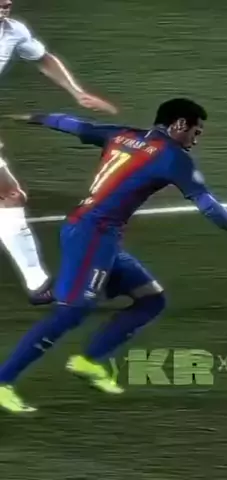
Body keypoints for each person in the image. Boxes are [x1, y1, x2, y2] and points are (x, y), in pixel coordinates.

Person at [0, 98, 227, 413]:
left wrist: (33, 116)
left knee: (151, 299)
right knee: (71, 313)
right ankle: (3, 381)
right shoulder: (173, 157)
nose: (195, 140)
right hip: (92, 236)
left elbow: (75, 125)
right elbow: (209, 207)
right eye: (195, 132)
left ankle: (89, 361)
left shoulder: (123, 134)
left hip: (97, 234)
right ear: (179, 124)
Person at [0, 0, 117, 305]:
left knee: (9, 196)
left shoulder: (14, 31)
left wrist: (77, 92)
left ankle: (37, 284)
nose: (5, 3)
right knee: (8, 196)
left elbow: (43, 58)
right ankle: (37, 284)